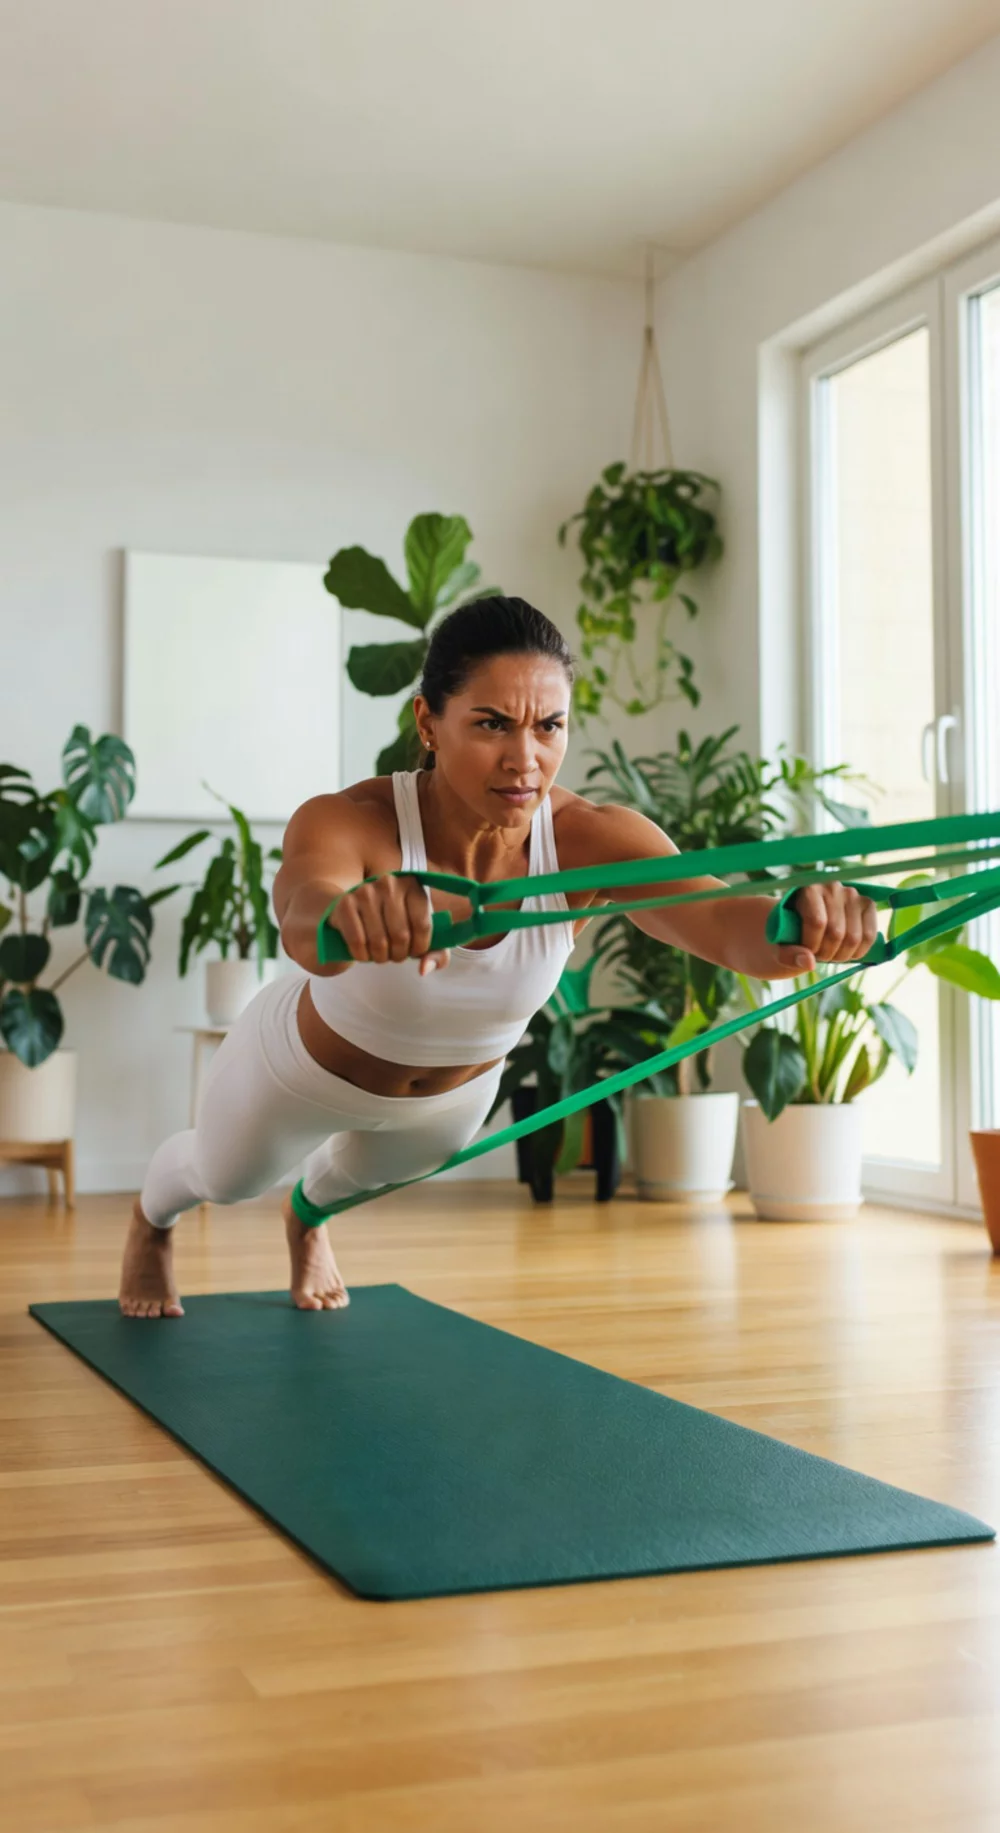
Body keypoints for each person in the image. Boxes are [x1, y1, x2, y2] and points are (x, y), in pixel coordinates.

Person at [118, 596, 878, 1318]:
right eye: (491, 724)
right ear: (429, 720)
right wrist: (350, 916)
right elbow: (302, 908)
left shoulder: (592, 840)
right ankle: (151, 1222)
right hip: (298, 1070)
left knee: (353, 1182)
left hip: (450, 1103)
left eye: (550, 726)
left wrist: (803, 921)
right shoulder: (356, 820)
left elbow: (719, 918)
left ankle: (309, 1218)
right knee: (223, 1178)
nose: (525, 758)